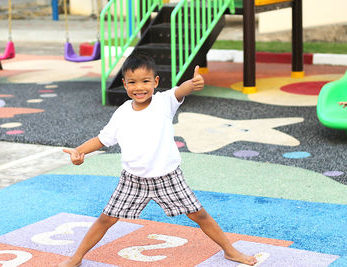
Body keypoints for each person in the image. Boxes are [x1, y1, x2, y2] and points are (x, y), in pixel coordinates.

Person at [58, 53, 258, 267]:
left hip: (168, 177)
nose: (139, 87)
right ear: (124, 84)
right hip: (133, 180)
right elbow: (102, 139)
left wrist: (192, 83)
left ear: (155, 82)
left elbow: (181, 90)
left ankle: (230, 250)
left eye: (145, 81)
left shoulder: (164, 102)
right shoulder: (122, 113)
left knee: (199, 215)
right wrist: (79, 151)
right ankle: (76, 257)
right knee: (106, 218)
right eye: (132, 82)